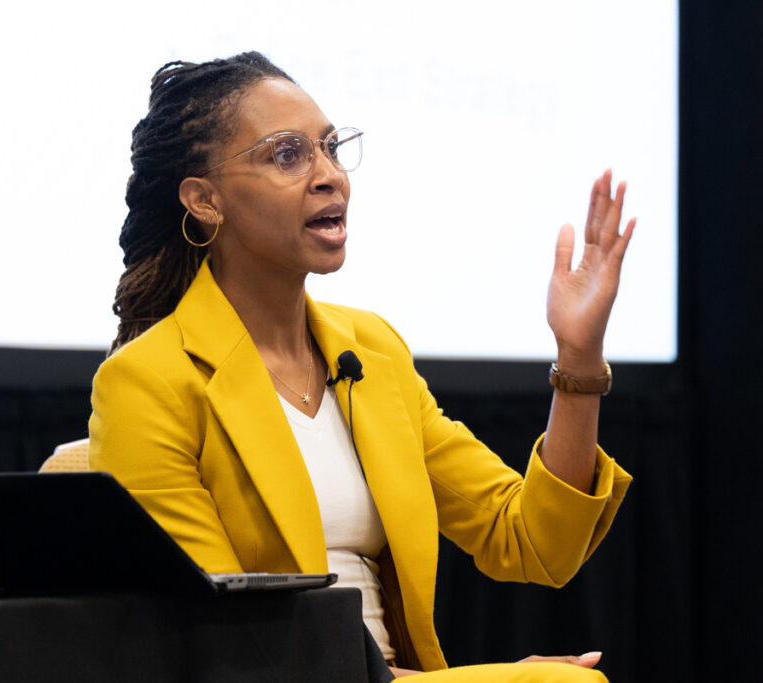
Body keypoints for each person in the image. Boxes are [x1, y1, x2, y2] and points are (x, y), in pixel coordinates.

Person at [89, 51, 635, 681]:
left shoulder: (371, 352)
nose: (329, 177)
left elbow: (534, 542)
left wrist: (579, 358)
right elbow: (228, 642)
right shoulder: (147, 382)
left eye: (330, 148)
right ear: (204, 200)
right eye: (287, 154)